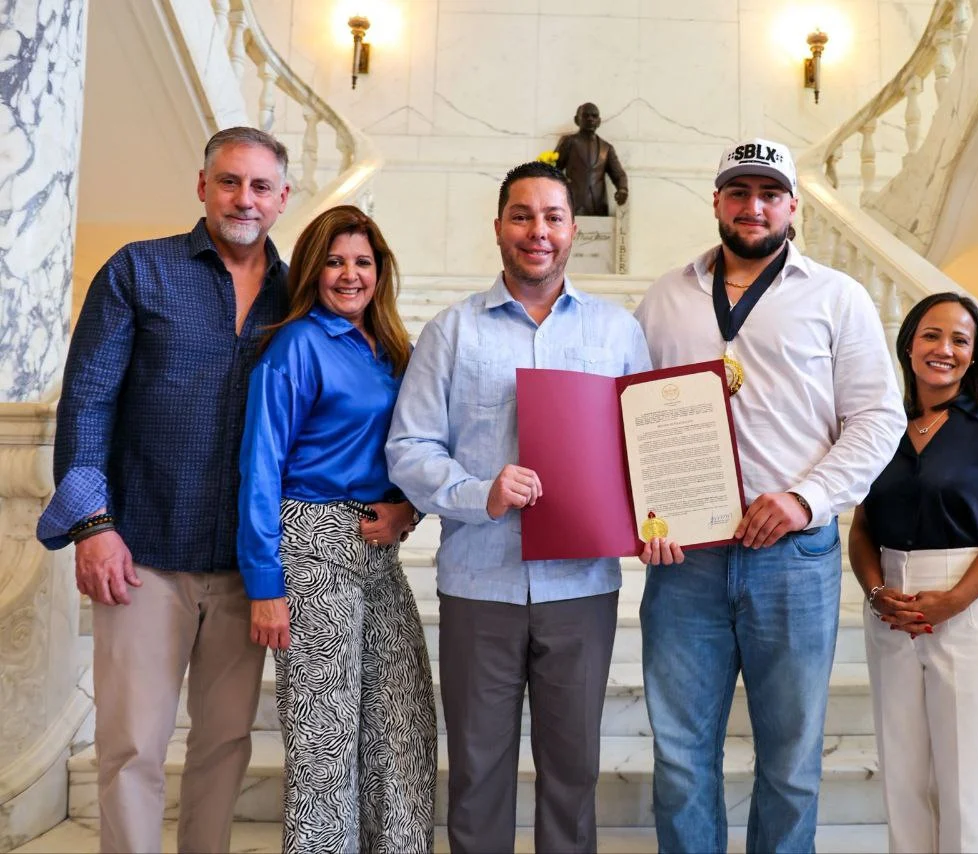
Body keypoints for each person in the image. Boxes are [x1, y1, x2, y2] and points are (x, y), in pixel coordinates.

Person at [633, 137, 906, 852]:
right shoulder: (664, 297)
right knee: (680, 758)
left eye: (769, 194)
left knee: (789, 762)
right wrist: (640, 514)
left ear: (792, 207)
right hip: (685, 563)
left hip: (793, 557)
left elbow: (879, 419)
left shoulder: (838, 297)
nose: (753, 207)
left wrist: (805, 498)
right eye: (738, 192)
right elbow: (626, 420)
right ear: (717, 201)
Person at [35, 127, 290, 853]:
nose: (245, 199)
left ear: (282, 199)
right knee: (132, 748)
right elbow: (86, 403)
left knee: (225, 744)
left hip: (245, 563)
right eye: (230, 182)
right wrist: (92, 526)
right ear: (202, 185)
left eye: (260, 186)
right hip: (141, 554)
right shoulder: (136, 272)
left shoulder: (298, 292)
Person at [385, 161, 651, 853]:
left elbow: (646, 447)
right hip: (480, 583)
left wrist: (662, 519)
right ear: (499, 226)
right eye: (523, 216)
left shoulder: (617, 334)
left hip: (582, 587)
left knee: (573, 773)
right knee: (477, 771)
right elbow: (409, 447)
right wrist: (482, 493)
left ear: (573, 230)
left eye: (553, 217)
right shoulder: (452, 333)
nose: (539, 232)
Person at [236, 205, 436, 853]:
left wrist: (410, 507)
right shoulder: (296, 346)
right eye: (334, 261)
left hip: (377, 546)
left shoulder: (394, 351)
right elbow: (260, 467)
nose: (349, 275)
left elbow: (418, 446)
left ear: (381, 272)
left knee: (401, 722)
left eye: (363, 262)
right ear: (313, 270)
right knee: (325, 735)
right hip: (310, 543)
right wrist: (265, 585)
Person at [849, 292, 978, 852]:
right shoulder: (881, 425)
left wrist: (954, 600)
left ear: (974, 356)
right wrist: (877, 590)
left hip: (969, 599)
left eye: (960, 339)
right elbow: (861, 528)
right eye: (931, 335)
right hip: (890, 605)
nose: (944, 349)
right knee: (903, 779)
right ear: (908, 345)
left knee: (966, 783)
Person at [553, 102, 628, 216]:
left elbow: (619, 174)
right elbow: (553, 169)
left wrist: (622, 189)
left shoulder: (606, 148)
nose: (590, 119)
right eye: (586, 115)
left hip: (598, 206)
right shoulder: (568, 142)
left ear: (599, 121)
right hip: (572, 204)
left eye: (594, 116)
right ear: (577, 120)